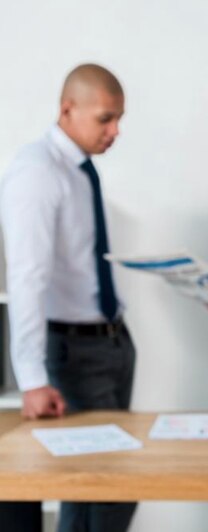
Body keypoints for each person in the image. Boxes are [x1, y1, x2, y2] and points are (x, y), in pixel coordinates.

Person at [0, 64, 137, 532]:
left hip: (112, 343)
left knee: (106, 488)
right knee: (101, 488)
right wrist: (33, 378)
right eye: (105, 118)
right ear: (67, 110)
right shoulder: (37, 172)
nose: (115, 131)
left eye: (119, 118)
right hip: (74, 352)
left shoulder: (81, 172)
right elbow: (27, 278)